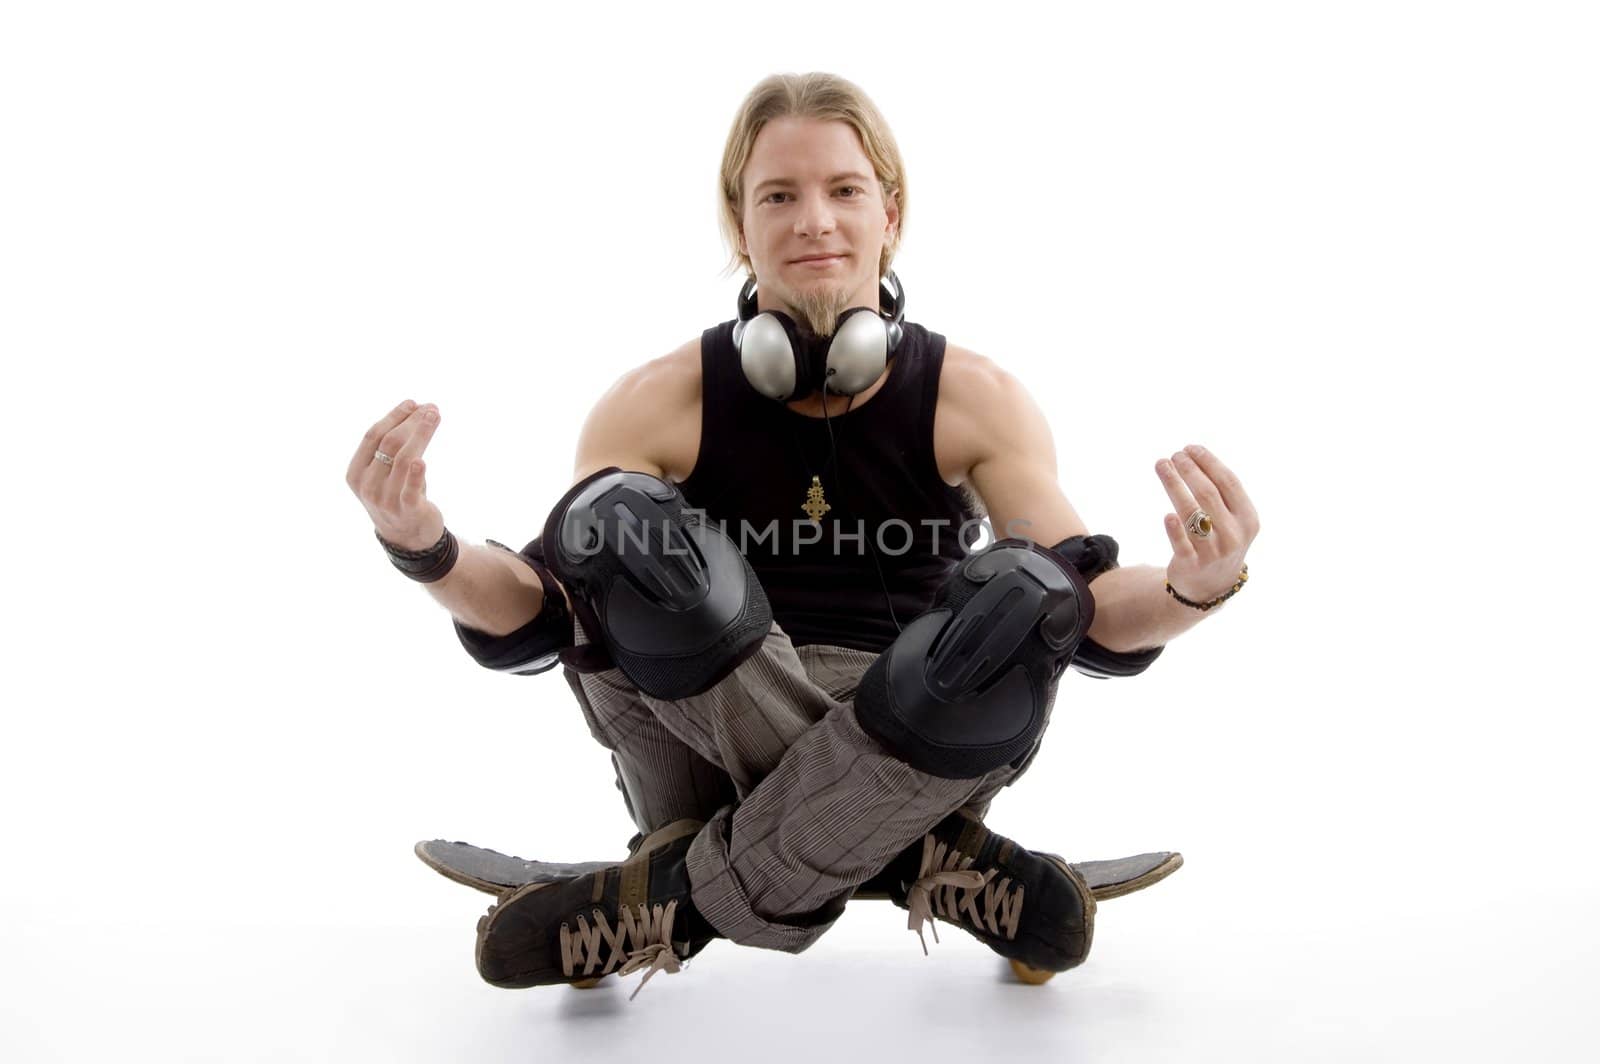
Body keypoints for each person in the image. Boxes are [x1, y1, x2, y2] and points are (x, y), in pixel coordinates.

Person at [345, 73, 1258, 998]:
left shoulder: (973, 397)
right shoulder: (659, 398)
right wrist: (426, 546)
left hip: (910, 719)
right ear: (740, 227)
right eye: (778, 196)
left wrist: (1194, 588)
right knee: (612, 523)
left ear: (889, 215)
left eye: (843, 190)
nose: (813, 220)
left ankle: (663, 902)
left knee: (1032, 592)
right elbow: (545, 609)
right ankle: (915, 855)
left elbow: (1091, 613)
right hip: (704, 736)